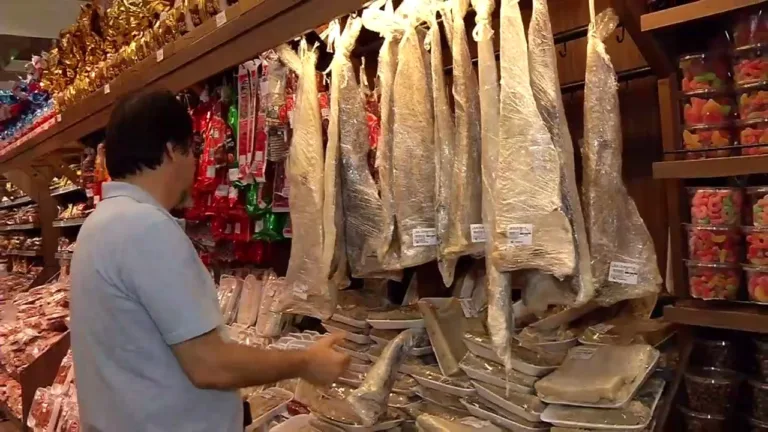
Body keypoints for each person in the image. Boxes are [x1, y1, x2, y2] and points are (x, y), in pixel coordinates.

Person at [70, 89, 350, 432]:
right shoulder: (143, 228)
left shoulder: (100, 224)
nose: (196, 164)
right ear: (173, 151)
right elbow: (208, 365)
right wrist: (306, 361)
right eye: (194, 151)